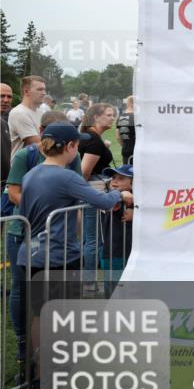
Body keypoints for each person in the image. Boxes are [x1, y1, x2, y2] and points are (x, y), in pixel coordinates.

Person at [17, 122, 131, 362]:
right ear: (69, 147)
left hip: (31, 253)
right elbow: (103, 201)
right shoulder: (67, 176)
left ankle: (39, 370)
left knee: (40, 314)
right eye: (77, 147)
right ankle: (61, 364)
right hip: (59, 254)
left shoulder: (30, 174)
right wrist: (120, 194)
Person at [3, 111, 83, 370]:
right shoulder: (26, 156)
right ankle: (25, 348)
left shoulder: (73, 156)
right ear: (41, 131)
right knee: (22, 291)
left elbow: (76, 193)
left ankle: (54, 357)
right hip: (23, 233)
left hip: (58, 239)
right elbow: (14, 192)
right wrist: (45, 204)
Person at [78, 102, 117, 280]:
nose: (112, 118)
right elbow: (84, 172)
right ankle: (89, 280)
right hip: (92, 192)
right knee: (93, 238)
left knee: (90, 236)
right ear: (96, 117)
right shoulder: (93, 139)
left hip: (89, 192)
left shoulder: (91, 137)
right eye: (109, 114)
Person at [100, 164, 135, 291]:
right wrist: (122, 195)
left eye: (121, 178)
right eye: (114, 177)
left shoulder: (137, 201)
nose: (114, 181)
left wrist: (135, 211)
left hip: (128, 254)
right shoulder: (112, 197)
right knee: (113, 292)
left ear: (133, 183)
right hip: (112, 254)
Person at [8, 75, 46, 157]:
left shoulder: (41, 111)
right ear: (26, 92)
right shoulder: (19, 113)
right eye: (39, 89)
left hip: (36, 164)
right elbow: (38, 144)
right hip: (22, 167)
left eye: (44, 89)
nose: (44, 93)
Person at [116, 95, 136, 164]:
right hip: (136, 150)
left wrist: (125, 145)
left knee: (126, 172)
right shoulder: (137, 117)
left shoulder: (120, 117)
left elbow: (118, 137)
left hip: (125, 149)